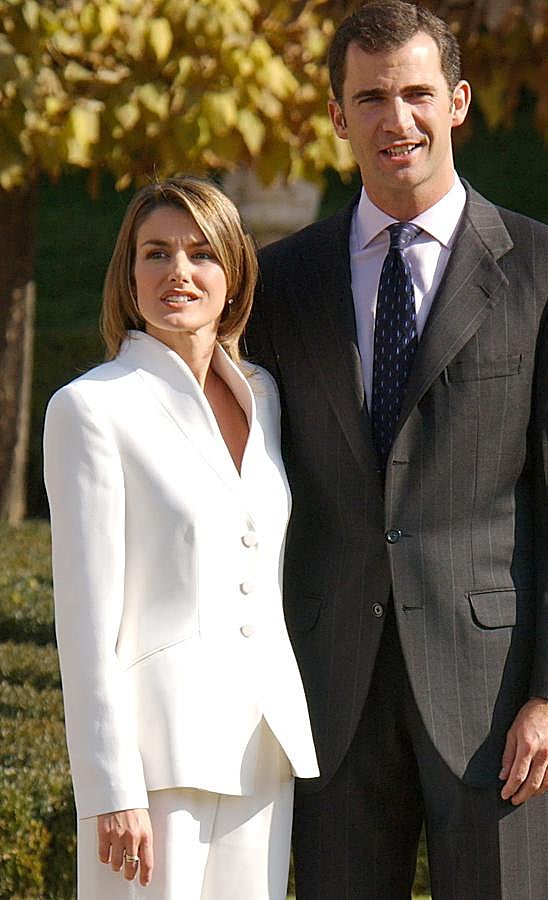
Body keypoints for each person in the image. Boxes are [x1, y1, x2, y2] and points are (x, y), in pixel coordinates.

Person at [245, 2, 548, 897]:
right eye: (371, 98)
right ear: (338, 117)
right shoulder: (280, 283)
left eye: (416, 93)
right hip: (330, 695)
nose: (396, 119)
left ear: (458, 101)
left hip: (498, 702)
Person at [43, 175, 318, 900]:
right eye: (156, 253)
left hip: (263, 744)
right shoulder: (91, 408)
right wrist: (111, 787)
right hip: (154, 759)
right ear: (129, 276)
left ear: (234, 275)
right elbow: (85, 620)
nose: (179, 272)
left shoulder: (264, 396)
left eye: (201, 254)